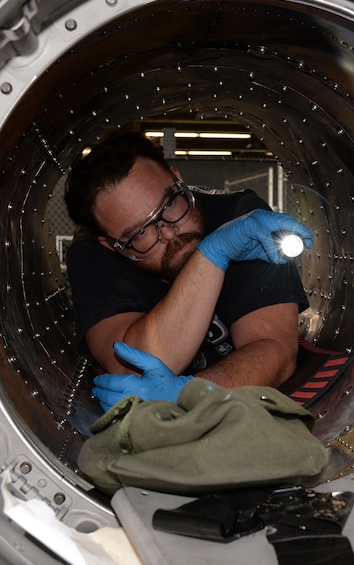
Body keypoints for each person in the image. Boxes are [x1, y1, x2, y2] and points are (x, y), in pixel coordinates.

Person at [64, 130, 312, 410]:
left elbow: (275, 351)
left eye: (169, 205)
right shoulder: (93, 258)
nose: (169, 233)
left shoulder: (242, 221)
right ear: (112, 246)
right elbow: (133, 366)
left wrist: (192, 393)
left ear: (179, 180)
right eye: (141, 232)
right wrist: (212, 256)